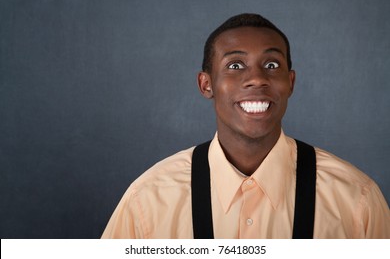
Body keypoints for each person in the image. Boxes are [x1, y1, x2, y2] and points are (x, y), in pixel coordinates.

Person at [101, 13, 390, 239]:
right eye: (235, 65)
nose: (257, 79)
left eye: (272, 65)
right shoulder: (148, 200)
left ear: (290, 83)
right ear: (206, 84)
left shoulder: (356, 200)